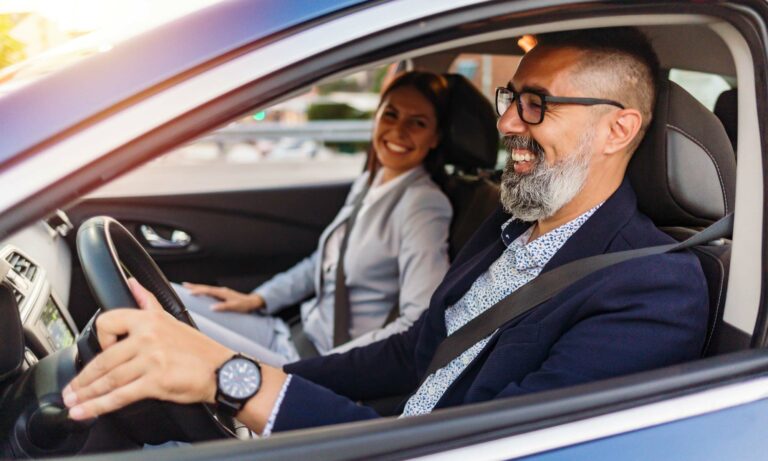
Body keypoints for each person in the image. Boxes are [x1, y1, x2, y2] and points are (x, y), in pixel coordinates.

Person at [62, 27, 708, 436]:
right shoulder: (509, 230)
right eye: (510, 97)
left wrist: (235, 380)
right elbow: (410, 351)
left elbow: (479, 446)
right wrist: (270, 372)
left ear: (618, 129)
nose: (507, 121)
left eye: (534, 103)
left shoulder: (650, 286)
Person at [174, 71, 456, 365]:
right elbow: (323, 262)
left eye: (418, 123)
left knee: (170, 328)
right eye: (391, 115)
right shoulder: (372, 182)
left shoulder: (423, 205)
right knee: (167, 298)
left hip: (318, 363)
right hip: (291, 334)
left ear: (435, 137)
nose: (398, 131)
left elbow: (417, 321)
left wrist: (327, 369)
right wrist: (259, 299)